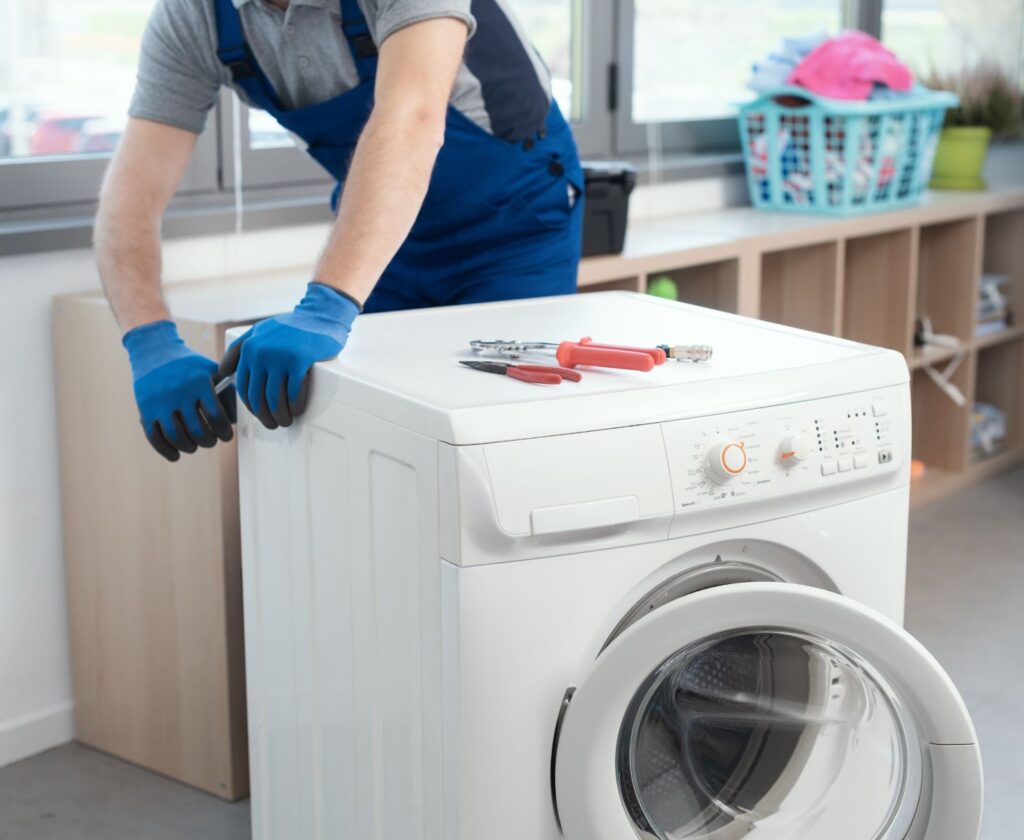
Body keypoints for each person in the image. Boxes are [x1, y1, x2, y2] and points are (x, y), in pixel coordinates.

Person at [95, 0, 584, 461]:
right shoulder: (195, 17)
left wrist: (327, 305)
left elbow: (411, 117)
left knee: (502, 439)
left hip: (515, 225)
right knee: (380, 439)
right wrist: (149, 342)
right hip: (386, 244)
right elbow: (133, 192)